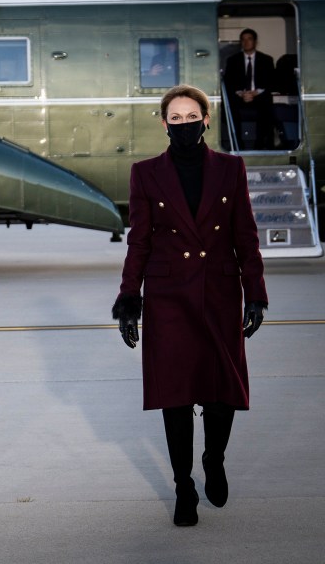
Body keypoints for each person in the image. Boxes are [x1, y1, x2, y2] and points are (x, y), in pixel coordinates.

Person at [111, 84, 267, 527]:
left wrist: (255, 293)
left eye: (191, 117)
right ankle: (184, 487)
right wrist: (129, 298)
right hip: (170, 297)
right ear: (164, 124)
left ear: (206, 120)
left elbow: (245, 236)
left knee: (221, 395)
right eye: (175, 119)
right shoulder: (145, 173)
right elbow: (139, 241)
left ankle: (214, 458)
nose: (184, 125)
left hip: (218, 292)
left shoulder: (230, 169)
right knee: (175, 397)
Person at [223, 28, 275, 150]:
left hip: (259, 96)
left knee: (266, 107)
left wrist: (256, 93)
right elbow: (228, 82)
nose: (246, 42)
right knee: (229, 107)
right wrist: (241, 93)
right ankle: (237, 145)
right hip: (239, 97)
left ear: (255, 42)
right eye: (243, 39)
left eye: (249, 39)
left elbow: (271, 82)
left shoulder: (266, 60)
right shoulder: (233, 60)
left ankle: (260, 145)